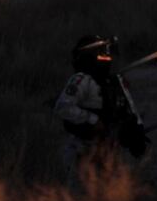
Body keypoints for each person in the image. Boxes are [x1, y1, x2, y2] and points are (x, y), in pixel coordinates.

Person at [53, 35, 148, 188]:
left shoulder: (113, 82)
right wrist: (93, 120)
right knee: (82, 198)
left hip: (109, 151)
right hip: (83, 150)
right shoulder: (81, 79)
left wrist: (132, 134)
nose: (107, 56)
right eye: (103, 52)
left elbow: (121, 113)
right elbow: (63, 107)